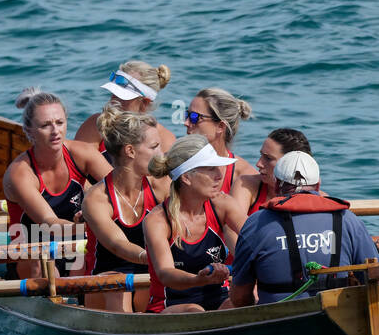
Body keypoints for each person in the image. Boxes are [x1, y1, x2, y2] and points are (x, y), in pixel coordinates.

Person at [229, 150, 379, 307]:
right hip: (338, 319)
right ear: (318, 185)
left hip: (276, 324)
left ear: (276, 186)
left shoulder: (256, 224)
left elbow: (240, 297)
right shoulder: (348, 220)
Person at [3, 87, 112, 277]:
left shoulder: (83, 154)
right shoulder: (20, 172)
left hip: (75, 243)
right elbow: (49, 223)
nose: (55, 131)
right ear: (29, 130)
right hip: (32, 251)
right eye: (45, 125)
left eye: (60, 122)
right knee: (43, 266)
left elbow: (124, 190)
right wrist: (88, 226)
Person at [143, 136, 248, 313]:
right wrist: (199, 280)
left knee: (249, 300)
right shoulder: (158, 220)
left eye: (218, 167)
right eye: (210, 168)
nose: (219, 175)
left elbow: (258, 239)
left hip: (219, 300)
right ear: (186, 178)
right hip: (170, 306)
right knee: (194, 310)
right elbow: (165, 273)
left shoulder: (222, 204)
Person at [82, 108, 167, 312]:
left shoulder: (160, 186)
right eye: (154, 147)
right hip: (105, 280)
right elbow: (118, 244)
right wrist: (154, 257)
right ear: (130, 151)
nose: (161, 155)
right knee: (119, 286)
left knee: (160, 283)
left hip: (148, 272)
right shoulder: (97, 199)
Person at [75, 61, 177, 158]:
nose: (113, 100)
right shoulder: (96, 125)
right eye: (114, 93)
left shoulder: (166, 140)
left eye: (122, 97)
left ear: (144, 103)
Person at [183, 88, 261, 211]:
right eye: (186, 115)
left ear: (220, 126)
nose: (186, 123)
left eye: (194, 117)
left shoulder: (245, 178)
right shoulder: (176, 165)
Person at [251, 127, 312, 215]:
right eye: (261, 155)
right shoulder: (248, 185)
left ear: (291, 165)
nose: (258, 164)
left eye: (268, 158)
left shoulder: (321, 200)